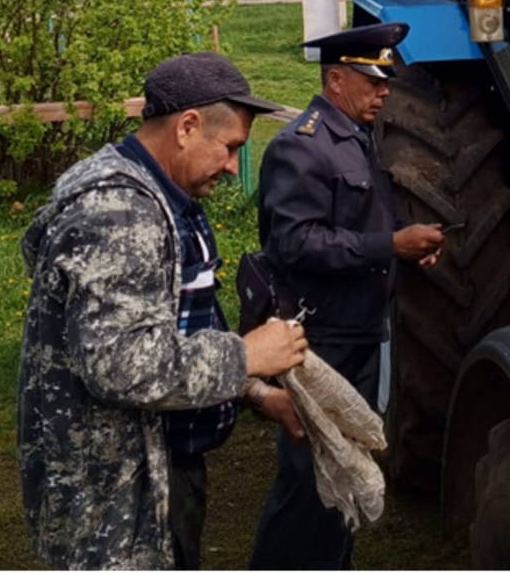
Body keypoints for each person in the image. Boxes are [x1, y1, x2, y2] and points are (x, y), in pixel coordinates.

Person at [18, 52, 310, 573]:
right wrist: (245, 355)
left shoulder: (168, 199)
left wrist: (259, 393)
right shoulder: (119, 211)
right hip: (117, 495)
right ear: (187, 126)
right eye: (229, 149)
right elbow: (118, 363)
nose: (229, 166)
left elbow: (183, 325)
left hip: (159, 472)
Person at [247, 22, 445, 572]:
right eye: (373, 81)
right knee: (310, 480)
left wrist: (405, 246)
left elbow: (359, 221)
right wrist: (389, 244)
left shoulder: (355, 137)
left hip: (357, 329)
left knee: (342, 474)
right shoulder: (302, 147)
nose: (385, 92)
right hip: (320, 338)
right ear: (336, 80)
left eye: (386, 82)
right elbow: (294, 241)